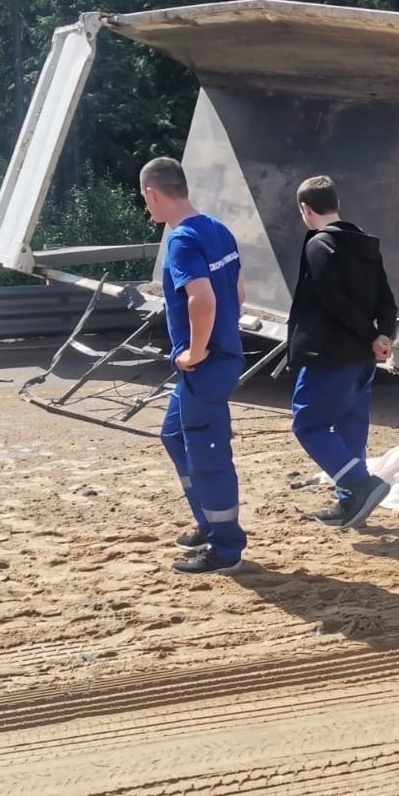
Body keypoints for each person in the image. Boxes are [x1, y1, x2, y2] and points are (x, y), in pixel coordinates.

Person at [139, 157, 250, 574]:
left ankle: (226, 548)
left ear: (153, 193)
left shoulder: (182, 241)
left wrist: (195, 352)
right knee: (173, 435)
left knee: (208, 454)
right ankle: (207, 521)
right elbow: (237, 294)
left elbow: (202, 301)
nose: (146, 207)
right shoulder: (217, 228)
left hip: (204, 365)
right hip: (220, 358)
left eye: (145, 199)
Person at [287, 175, 397, 528]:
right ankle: (351, 504)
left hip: (328, 354)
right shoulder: (364, 243)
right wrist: (382, 335)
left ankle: (359, 485)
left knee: (308, 423)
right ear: (337, 204)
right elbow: (386, 297)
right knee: (351, 428)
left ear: (306, 209)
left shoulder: (318, 245)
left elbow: (332, 300)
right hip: (363, 357)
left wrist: (370, 335)